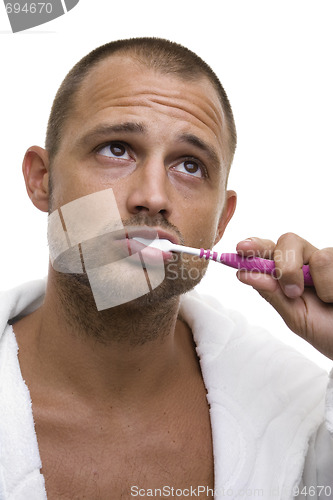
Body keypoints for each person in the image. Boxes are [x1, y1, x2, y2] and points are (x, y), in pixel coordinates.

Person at [0, 37, 332, 500]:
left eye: (190, 165)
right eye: (116, 149)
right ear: (42, 179)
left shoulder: (307, 420)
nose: (153, 197)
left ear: (222, 221)